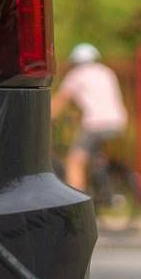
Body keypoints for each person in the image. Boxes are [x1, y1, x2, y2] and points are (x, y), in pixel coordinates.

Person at [52, 42, 128, 193]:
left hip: (96, 124)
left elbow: (61, 100)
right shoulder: (107, 72)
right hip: (118, 122)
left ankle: (75, 201)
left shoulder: (77, 74)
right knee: (93, 155)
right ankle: (102, 180)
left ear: (75, 61)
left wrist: (46, 116)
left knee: (75, 162)